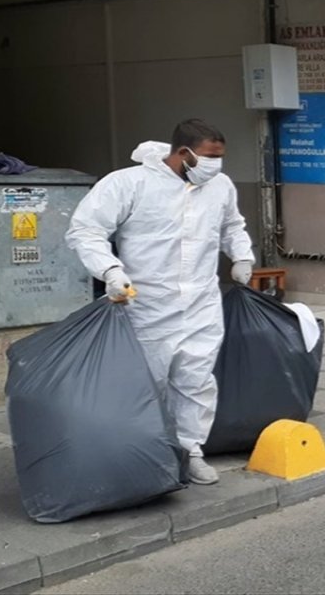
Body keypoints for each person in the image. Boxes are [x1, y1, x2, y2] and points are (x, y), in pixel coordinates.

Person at [66, 119, 254, 486]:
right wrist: (110, 270)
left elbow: (232, 226)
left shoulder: (220, 186)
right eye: (210, 157)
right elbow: (86, 229)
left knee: (196, 380)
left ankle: (190, 451)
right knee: (146, 385)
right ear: (183, 153)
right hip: (146, 304)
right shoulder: (128, 183)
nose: (217, 165)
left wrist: (242, 255)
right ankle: (144, 456)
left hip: (201, 301)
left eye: (221, 157)